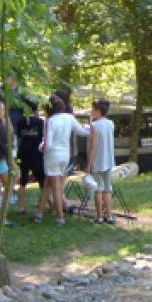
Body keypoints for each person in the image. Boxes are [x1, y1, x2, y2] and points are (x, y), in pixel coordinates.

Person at [38, 93, 89, 225]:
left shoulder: (50, 121)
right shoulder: (69, 117)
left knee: (56, 187)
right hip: (65, 155)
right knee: (48, 184)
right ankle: (39, 213)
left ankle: (60, 217)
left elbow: (47, 144)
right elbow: (82, 131)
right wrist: (92, 127)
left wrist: (40, 147)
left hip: (52, 156)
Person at [87, 98, 116, 224]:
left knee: (98, 189)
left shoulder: (94, 126)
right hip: (109, 160)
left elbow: (93, 146)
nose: (91, 111)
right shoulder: (110, 123)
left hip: (97, 161)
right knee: (107, 189)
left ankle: (99, 217)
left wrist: (88, 163)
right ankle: (109, 216)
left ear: (98, 110)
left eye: (93, 109)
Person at [15, 96, 46, 215]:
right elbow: (43, 136)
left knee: (23, 179)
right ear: (36, 108)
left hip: (23, 152)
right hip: (36, 152)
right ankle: (42, 204)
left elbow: (19, 136)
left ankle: (20, 206)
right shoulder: (39, 122)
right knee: (42, 180)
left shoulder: (20, 121)